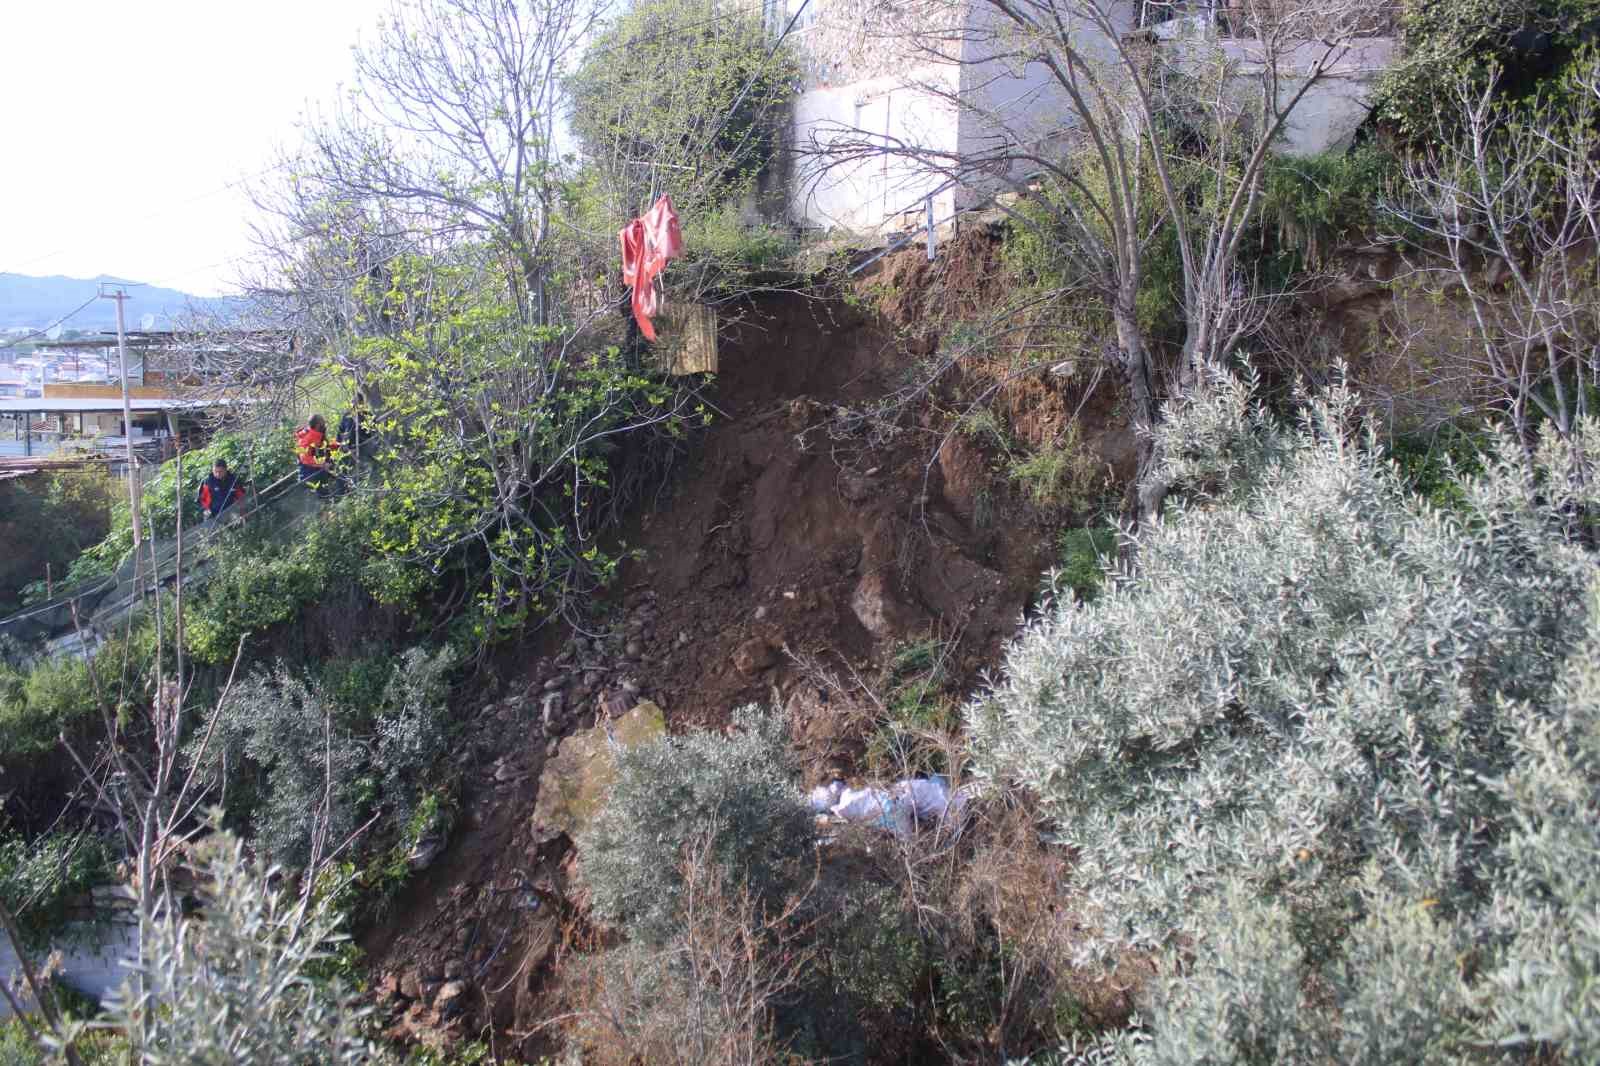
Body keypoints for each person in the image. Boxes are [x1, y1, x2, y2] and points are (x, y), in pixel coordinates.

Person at [295, 414, 340, 494]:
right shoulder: (308, 438)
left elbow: (326, 445)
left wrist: (339, 445)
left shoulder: (317, 434)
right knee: (323, 493)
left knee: (339, 474)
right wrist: (322, 464)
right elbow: (304, 458)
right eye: (323, 422)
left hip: (319, 468)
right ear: (318, 425)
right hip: (309, 473)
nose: (325, 425)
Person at [197, 458, 245, 524]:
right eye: (215, 471)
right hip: (214, 516)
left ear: (225, 470)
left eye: (220, 472)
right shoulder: (207, 482)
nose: (218, 474)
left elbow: (240, 495)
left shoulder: (233, 479)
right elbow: (201, 500)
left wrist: (241, 509)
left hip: (232, 511)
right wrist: (206, 510)